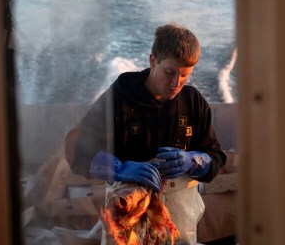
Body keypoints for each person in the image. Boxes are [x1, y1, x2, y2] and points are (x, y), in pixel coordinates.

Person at [65, 23, 226, 192]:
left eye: (185, 75)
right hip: (128, 203)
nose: (176, 83)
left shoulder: (193, 101)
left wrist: (193, 161)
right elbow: (77, 148)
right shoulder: (119, 97)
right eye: (169, 72)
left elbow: (216, 157)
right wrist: (119, 169)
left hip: (182, 208)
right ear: (153, 61)